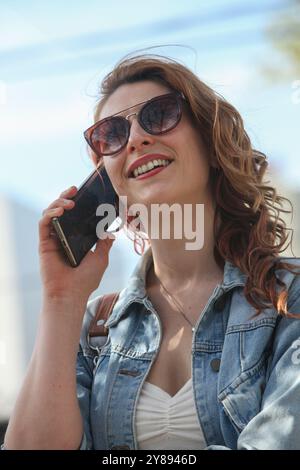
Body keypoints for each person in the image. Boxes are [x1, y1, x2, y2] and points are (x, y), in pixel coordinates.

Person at [3, 53, 300, 450]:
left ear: (210, 143)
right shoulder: (96, 327)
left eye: (160, 115)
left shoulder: (288, 297)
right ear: (107, 174)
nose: (137, 139)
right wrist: (62, 300)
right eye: (112, 134)